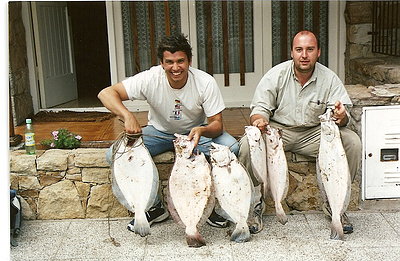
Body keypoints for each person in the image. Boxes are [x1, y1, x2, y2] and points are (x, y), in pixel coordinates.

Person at [98, 33, 239, 232]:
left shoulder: (205, 82)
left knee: (232, 148)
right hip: (159, 132)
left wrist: (202, 129)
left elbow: (217, 124)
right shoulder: (150, 78)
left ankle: (212, 207)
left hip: (195, 135)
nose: (175, 67)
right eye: (169, 62)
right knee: (113, 154)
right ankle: (154, 208)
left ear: (189, 61)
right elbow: (106, 93)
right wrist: (127, 116)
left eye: (181, 61)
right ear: (162, 63)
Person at [238, 30, 361, 234]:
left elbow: (343, 115)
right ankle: (254, 205)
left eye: (310, 49)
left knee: (352, 142)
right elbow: (259, 109)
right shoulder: (276, 75)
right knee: (245, 144)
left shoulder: (329, 78)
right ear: (292, 52)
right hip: (278, 132)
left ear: (318, 52)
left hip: (315, 133)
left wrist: (342, 116)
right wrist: (259, 121)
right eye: (299, 50)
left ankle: (336, 207)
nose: (304, 55)